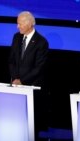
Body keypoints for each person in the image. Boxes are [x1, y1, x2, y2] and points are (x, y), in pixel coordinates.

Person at [8, 11, 49, 140]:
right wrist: (15, 78)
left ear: (29, 24)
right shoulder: (16, 37)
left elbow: (39, 68)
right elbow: (12, 60)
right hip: (15, 85)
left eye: (19, 24)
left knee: (30, 124)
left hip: (32, 87)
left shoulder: (41, 42)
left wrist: (22, 81)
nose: (17, 26)